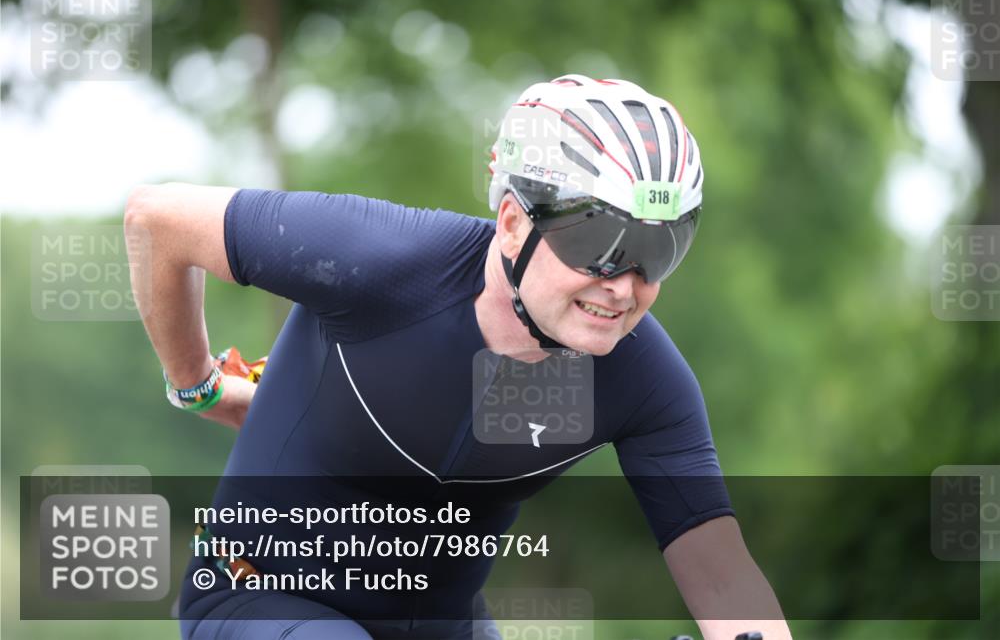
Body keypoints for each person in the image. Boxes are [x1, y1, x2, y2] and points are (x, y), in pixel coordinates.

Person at [126, 74, 792, 640]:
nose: (622, 283)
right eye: (598, 243)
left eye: (656, 250)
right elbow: (155, 221)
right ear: (511, 223)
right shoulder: (377, 260)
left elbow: (723, 572)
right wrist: (201, 386)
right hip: (256, 596)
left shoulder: (642, 378)